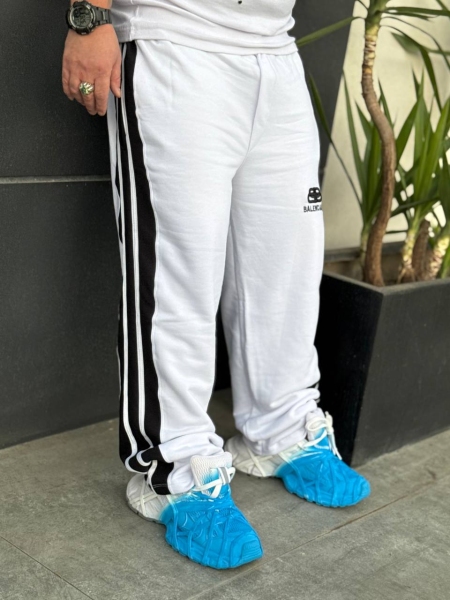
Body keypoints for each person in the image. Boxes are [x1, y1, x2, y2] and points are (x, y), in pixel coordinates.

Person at [62, 0, 371, 570]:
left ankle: (281, 428)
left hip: (276, 48)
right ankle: (176, 468)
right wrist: (90, 17)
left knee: (286, 266)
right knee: (177, 273)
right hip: (174, 37)